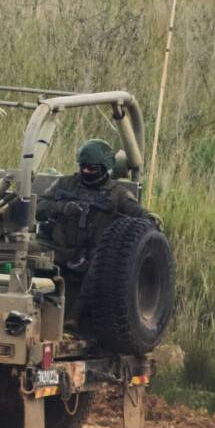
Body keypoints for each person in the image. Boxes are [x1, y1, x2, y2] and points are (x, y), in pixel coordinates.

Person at [36, 138, 157, 324]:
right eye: (83, 167)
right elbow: (39, 206)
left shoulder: (118, 194)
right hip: (59, 246)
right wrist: (62, 207)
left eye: (92, 169)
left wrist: (151, 221)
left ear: (105, 167)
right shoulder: (64, 184)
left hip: (94, 253)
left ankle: (72, 319)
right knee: (24, 250)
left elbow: (141, 217)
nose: (86, 172)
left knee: (99, 269)